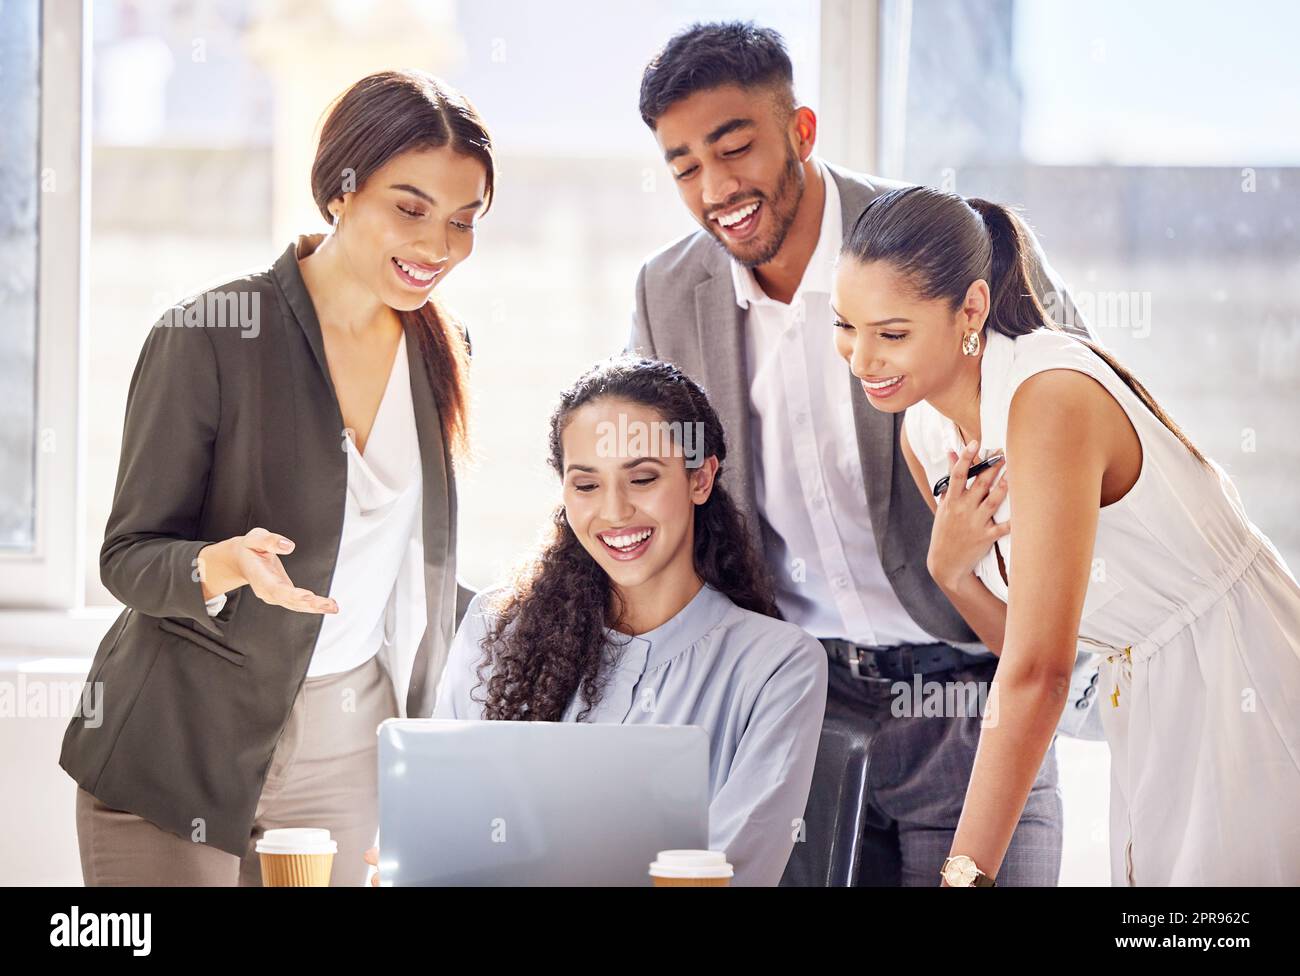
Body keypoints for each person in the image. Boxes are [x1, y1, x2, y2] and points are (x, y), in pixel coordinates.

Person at [627, 21, 1092, 885]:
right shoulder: (666, 294)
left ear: (801, 132)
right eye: (684, 165)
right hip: (803, 706)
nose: (716, 187)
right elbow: (647, 496)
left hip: (969, 698)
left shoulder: (942, 240)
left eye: (735, 149)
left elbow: (1079, 413)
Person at [59, 69, 492, 886]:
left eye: (464, 221)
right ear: (340, 189)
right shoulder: (207, 336)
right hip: (181, 744)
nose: (438, 246)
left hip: (348, 746)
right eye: (410, 208)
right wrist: (222, 564)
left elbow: (402, 560)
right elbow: (127, 555)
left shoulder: (444, 349)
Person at [833, 182, 1300, 886]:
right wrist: (952, 574)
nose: (861, 361)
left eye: (891, 333)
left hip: (1241, 674)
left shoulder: (1049, 395)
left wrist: (963, 876)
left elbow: (1039, 678)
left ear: (971, 310)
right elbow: (1032, 644)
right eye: (845, 326)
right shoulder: (924, 433)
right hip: (1144, 696)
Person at [367, 357, 828, 886]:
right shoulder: (495, 627)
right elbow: (429, 827)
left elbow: (733, 873)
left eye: (643, 478)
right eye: (586, 486)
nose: (614, 512)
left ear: (701, 478)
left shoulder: (780, 665)